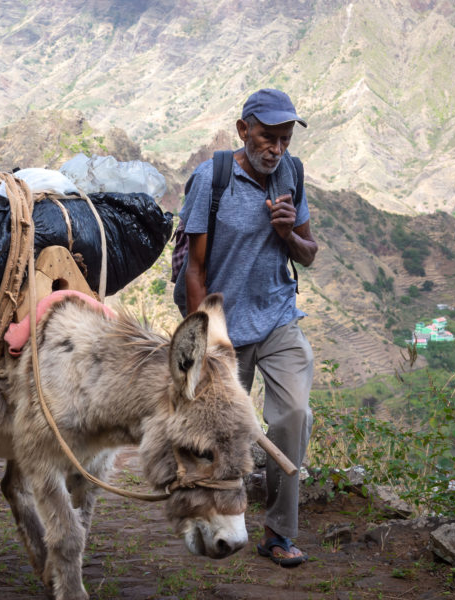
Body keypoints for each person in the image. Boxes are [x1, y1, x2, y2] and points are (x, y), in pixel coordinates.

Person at [176, 88, 318, 567]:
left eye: (284, 140)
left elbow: (310, 253)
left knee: (293, 416)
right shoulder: (211, 179)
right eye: (267, 137)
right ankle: (212, 518)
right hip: (225, 332)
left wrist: (287, 233)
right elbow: (194, 269)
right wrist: (205, 343)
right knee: (222, 434)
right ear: (243, 130)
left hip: (279, 317)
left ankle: (278, 533)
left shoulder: (291, 175)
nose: (275, 149)